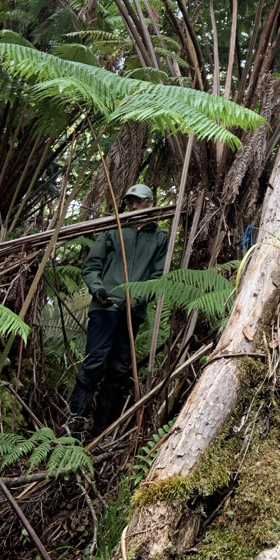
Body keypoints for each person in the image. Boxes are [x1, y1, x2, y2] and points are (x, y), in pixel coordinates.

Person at [68, 184, 167, 437]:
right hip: (104, 308)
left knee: (120, 369)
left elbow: (158, 277)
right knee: (94, 363)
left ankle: (102, 430)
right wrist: (98, 290)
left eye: (139, 201)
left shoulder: (159, 238)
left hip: (133, 312)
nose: (133, 207)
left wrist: (139, 298)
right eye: (130, 202)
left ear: (150, 202)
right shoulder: (113, 230)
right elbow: (90, 267)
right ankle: (74, 425)